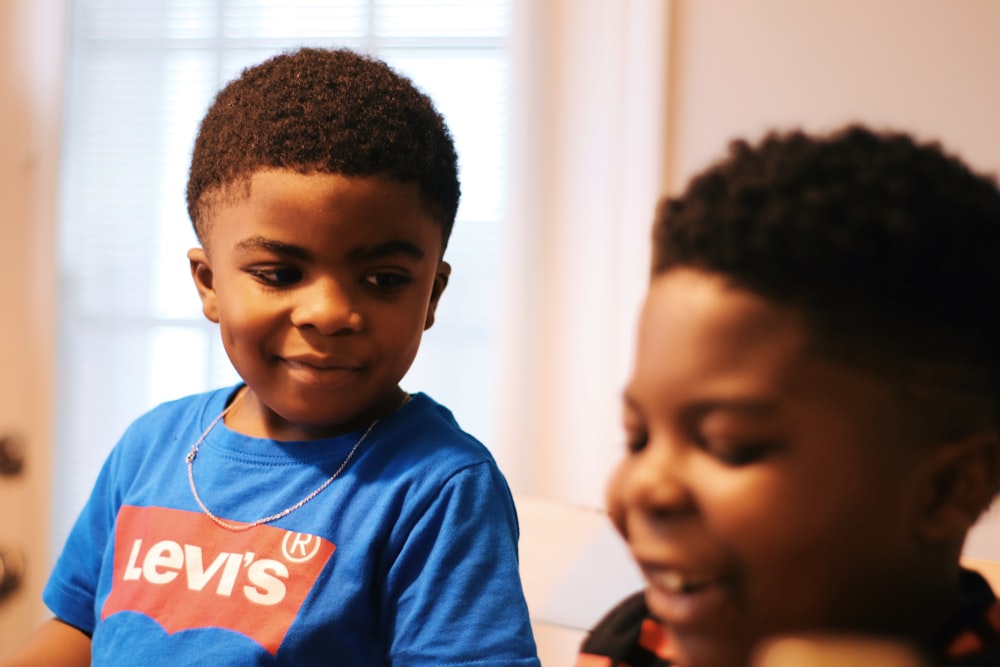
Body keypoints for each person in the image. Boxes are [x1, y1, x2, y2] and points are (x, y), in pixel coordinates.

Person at [5, 47, 539, 666]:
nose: (329, 312)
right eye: (280, 273)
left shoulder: (439, 490)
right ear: (208, 283)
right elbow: (78, 629)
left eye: (384, 279)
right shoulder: (151, 447)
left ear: (432, 295)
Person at [576, 125, 1000, 667]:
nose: (648, 489)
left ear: (946, 489)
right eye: (638, 439)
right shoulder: (636, 642)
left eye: (730, 446)